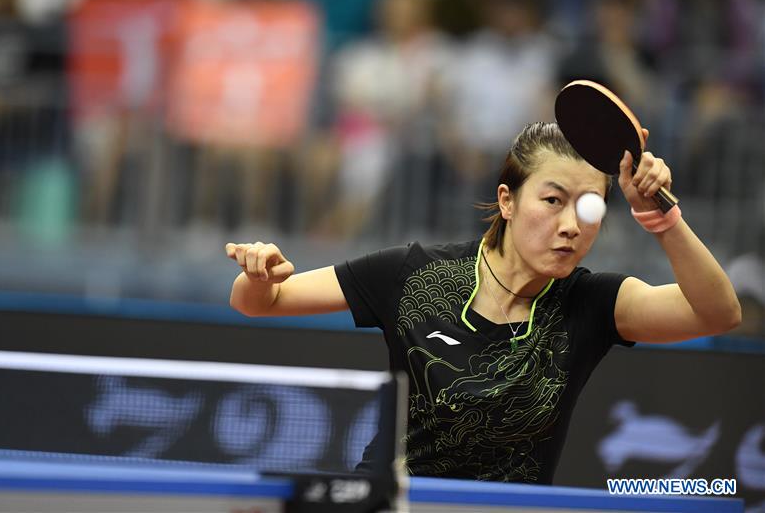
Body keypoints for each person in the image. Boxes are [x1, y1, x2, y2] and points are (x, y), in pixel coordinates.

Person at [225, 121, 741, 484]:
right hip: (395, 503)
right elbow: (260, 303)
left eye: (589, 207)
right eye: (553, 200)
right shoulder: (414, 272)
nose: (570, 226)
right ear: (507, 200)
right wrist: (258, 273)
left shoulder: (593, 303)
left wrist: (663, 220)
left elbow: (719, 313)